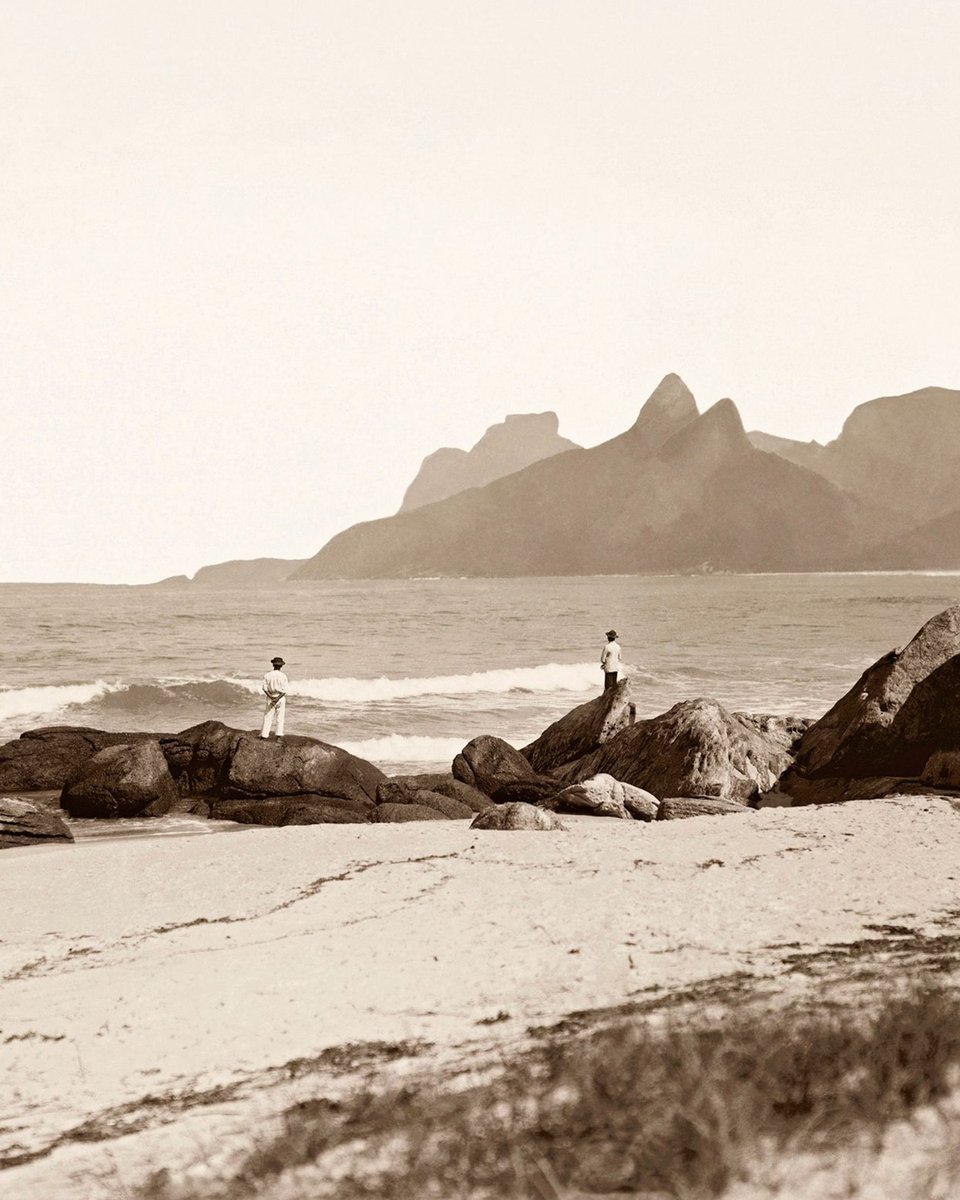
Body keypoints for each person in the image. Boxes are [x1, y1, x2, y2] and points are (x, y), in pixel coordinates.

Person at [260, 656, 288, 739]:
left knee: (268, 716)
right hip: (280, 698)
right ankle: (278, 735)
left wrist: (271, 698)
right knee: (280, 717)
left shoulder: (267, 675)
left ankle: (264, 735)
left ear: (273, 665)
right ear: (281, 666)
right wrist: (277, 698)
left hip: (270, 697)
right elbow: (284, 691)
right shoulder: (283, 676)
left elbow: (264, 689)